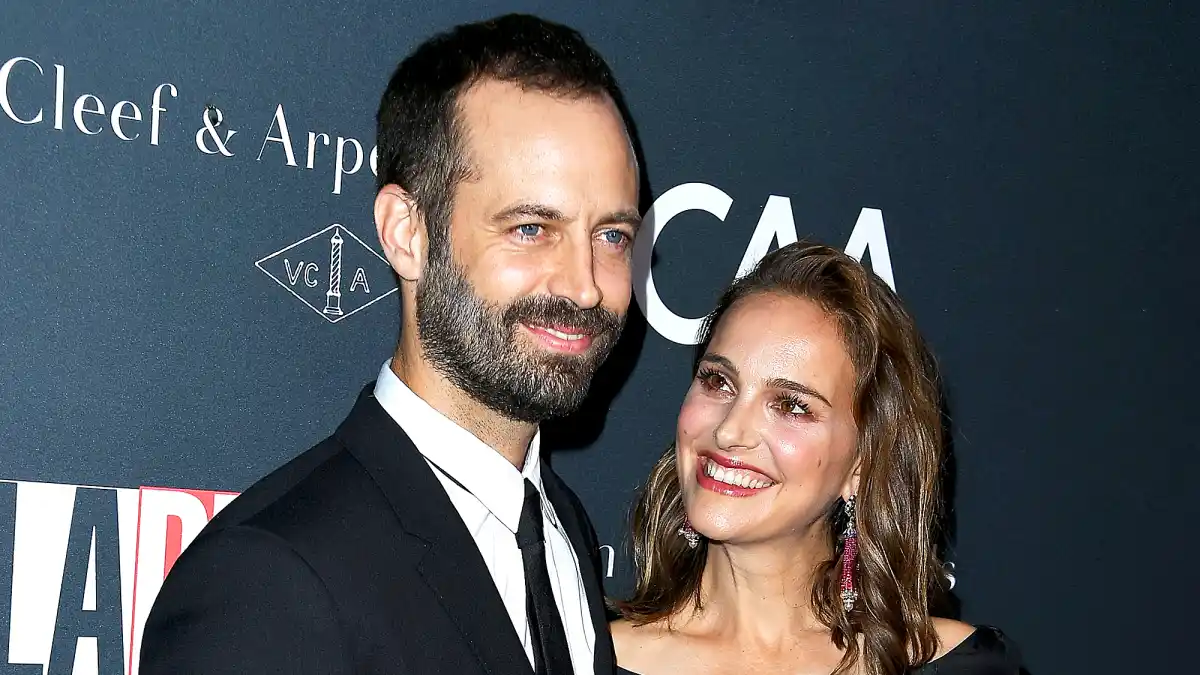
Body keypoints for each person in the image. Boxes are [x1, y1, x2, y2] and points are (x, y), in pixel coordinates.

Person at [139, 13, 640, 675]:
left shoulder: (561, 530)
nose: (584, 286)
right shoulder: (268, 581)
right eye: (530, 228)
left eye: (612, 236)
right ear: (407, 233)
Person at [610, 242, 1025, 675]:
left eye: (791, 405)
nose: (729, 430)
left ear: (861, 464)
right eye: (718, 381)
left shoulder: (962, 666)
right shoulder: (588, 659)